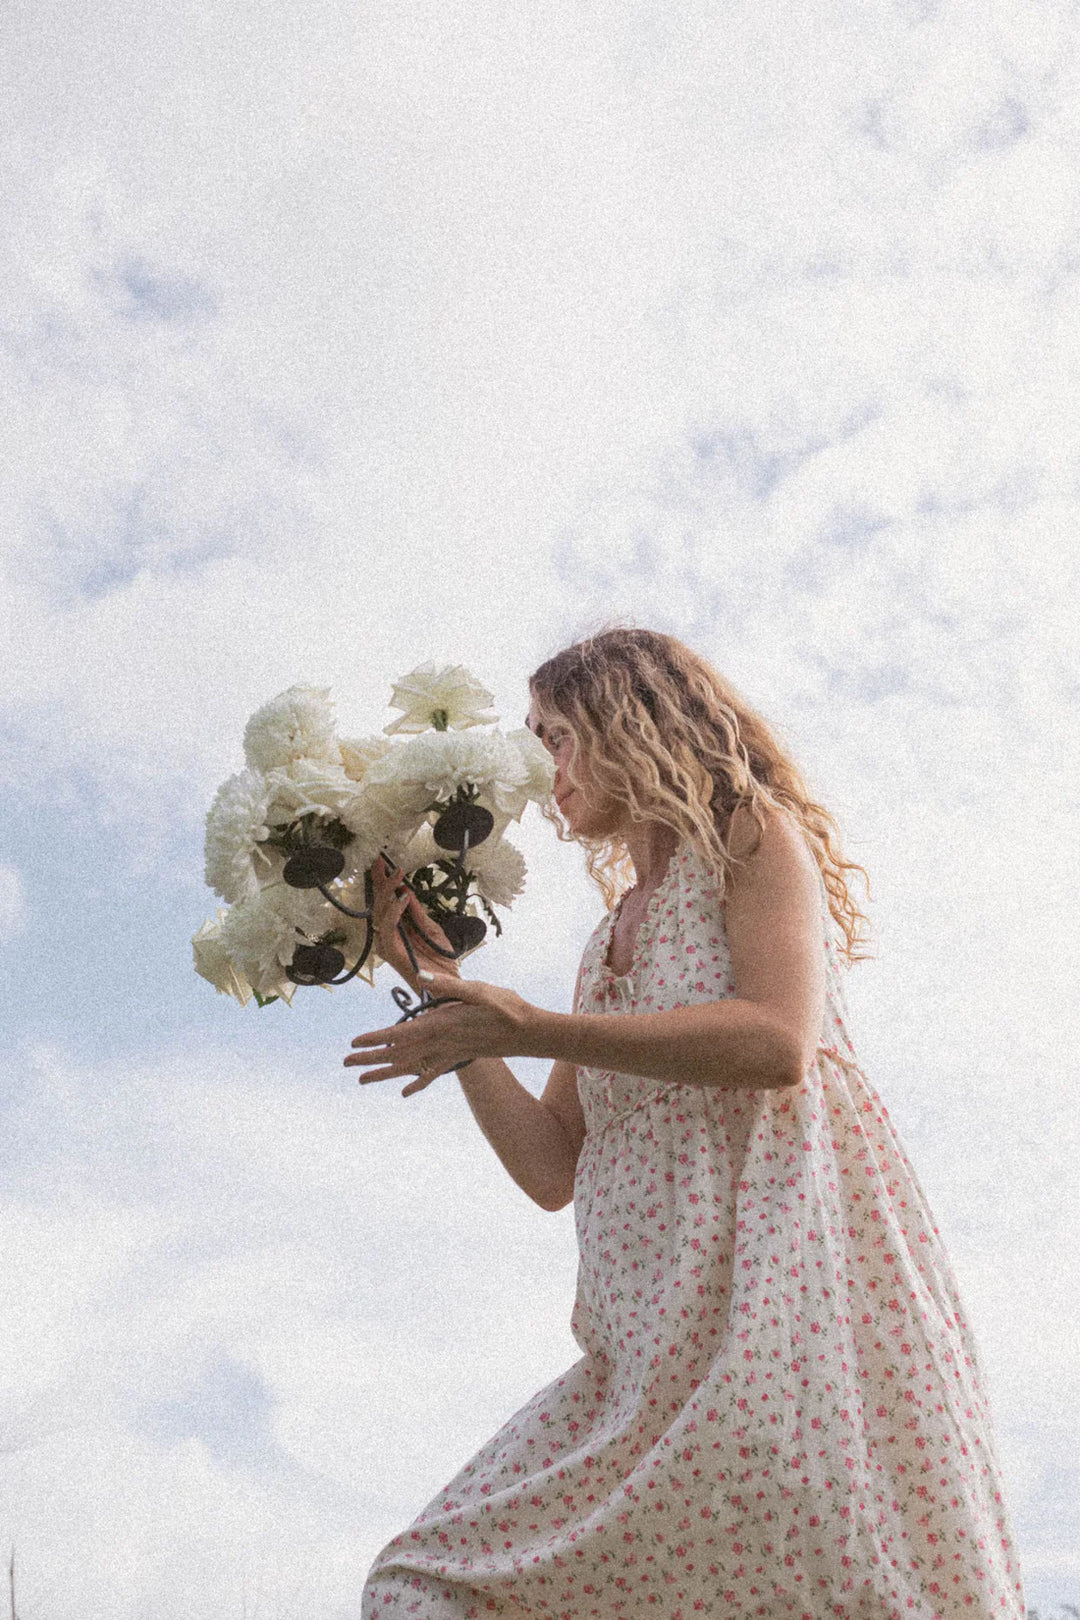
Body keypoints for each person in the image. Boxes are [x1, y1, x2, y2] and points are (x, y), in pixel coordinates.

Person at [347, 628, 1024, 1619]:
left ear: (635, 724)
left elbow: (775, 1042)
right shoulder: (600, 950)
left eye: (560, 735)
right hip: (642, 1351)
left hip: (783, 1313)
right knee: (422, 1585)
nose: (543, 770)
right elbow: (549, 1167)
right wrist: (442, 994)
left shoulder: (749, 839)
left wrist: (529, 1025)